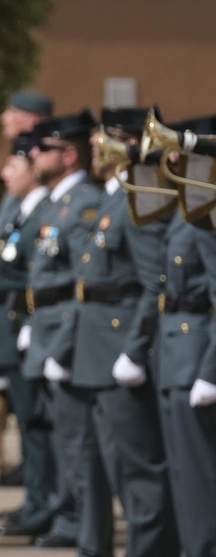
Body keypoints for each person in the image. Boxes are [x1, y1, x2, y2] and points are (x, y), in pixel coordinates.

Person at [67, 107, 178, 557]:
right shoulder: (117, 195)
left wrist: (135, 349)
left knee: (138, 475)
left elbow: (156, 284)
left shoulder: (141, 195)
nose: (95, 144)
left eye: (107, 136)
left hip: (119, 350)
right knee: (102, 466)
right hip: (96, 349)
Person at [21, 109, 102, 552]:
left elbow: (82, 283)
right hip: (47, 326)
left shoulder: (84, 202)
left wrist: (65, 342)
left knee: (76, 441)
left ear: (70, 155)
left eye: (45, 148)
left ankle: (80, 522)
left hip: (65, 333)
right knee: (59, 436)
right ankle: (69, 514)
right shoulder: (57, 202)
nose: (34, 154)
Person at [0, 133, 59, 538]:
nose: (4, 174)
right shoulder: (20, 211)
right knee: (27, 422)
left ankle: (45, 504)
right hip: (10, 323)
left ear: (33, 170)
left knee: (37, 422)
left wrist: (32, 325)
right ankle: (35, 500)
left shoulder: (44, 211)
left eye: (12, 166)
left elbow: (40, 275)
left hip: (26, 323)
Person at [154, 117, 216, 557]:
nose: (171, 159)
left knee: (200, 484)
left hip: (196, 359)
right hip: (175, 357)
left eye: (181, 151)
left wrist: (211, 371)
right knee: (184, 479)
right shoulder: (189, 208)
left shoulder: (205, 212)